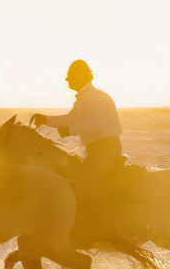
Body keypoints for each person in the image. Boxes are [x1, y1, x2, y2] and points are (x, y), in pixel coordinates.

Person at [32, 61, 124, 226]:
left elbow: (98, 122)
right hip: (98, 148)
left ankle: (97, 223)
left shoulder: (96, 97)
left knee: (83, 181)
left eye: (70, 77)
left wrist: (70, 130)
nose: (67, 81)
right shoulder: (85, 97)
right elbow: (71, 117)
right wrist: (45, 119)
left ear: (80, 77)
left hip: (105, 149)